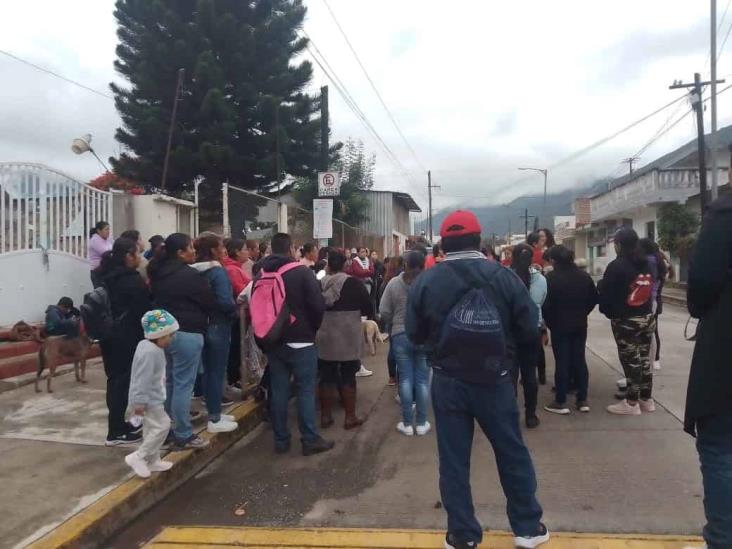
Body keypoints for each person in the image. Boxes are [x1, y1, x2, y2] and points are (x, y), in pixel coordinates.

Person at [406, 210, 549, 549]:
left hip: (447, 380)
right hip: (495, 379)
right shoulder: (503, 277)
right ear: (478, 240)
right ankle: (527, 528)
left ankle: (463, 534)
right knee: (511, 452)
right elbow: (530, 327)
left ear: (443, 243)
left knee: (454, 459)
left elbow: (413, 333)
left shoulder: (426, 280)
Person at [254, 233, 333, 456]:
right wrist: (312, 329)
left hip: (273, 341)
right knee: (305, 391)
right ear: (291, 250)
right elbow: (317, 305)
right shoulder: (301, 273)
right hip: (302, 340)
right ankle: (309, 439)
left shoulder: (261, 273)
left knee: (278, 391)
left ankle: (281, 440)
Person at [685, 193, 732, 549]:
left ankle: (722, 539)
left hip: (724, 355)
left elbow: (700, 287)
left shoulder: (724, 215)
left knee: (720, 449)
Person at [148, 233, 217, 450]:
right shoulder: (189, 276)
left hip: (165, 335)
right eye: (190, 248)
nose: (194, 251)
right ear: (180, 252)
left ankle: (166, 431)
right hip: (187, 332)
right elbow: (209, 301)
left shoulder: (158, 273)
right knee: (183, 386)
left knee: (170, 383)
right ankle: (183, 433)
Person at [96, 237, 152, 446]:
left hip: (109, 337)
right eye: (137, 253)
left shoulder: (107, 276)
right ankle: (116, 432)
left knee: (115, 382)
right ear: (128, 255)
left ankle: (119, 425)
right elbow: (144, 310)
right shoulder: (131, 280)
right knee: (121, 384)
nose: (139, 257)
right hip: (126, 337)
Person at [598, 228, 655, 416]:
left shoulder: (617, 266)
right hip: (647, 317)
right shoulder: (646, 263)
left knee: (631, 362)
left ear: (619, 245)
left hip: (626, 320)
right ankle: (646, 399)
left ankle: (631, 403)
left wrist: (609, 312)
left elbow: (606, 294)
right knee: (644, 358)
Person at [316, 250, 371, 430]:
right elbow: (367, 307)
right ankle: (350, 417)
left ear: (328, 266)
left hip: (325, 334)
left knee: (326, 376)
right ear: (346, 266)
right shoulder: (354, 283)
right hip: (348, 334)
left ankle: (325, 416)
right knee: (348, 375)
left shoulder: (319, 284)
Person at [542, 245, 598, 415]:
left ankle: (560, 401)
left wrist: (550, 322)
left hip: (559, 326)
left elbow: (546, 305)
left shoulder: (551, 278)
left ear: (553, 260)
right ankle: (582, 400)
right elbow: (593, 299)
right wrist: (582, 313)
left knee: (562, 362)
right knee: (579, 360)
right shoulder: (584, 276)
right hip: (580, 324)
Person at [123, 309, 179, 479]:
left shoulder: (151, 348)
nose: (171, 339)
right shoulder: (149, 352)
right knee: (163, 425)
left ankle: (153, 459)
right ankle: (138, 457)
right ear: (159, 335)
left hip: (152, 398)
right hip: (148, 401)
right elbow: (141, 379)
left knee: (150, 429)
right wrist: (139, 403)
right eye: (169, 335)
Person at [381, 250, 431, 436]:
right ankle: (422, 422)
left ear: (405, 265)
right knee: (422, 380)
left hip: (400, 335)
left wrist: (394, 321)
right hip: (423, 336)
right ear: (423, 265)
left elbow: (384, 310)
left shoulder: (393, 283)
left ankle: (407, 424)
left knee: (405, 379)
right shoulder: (428, 283)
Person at [193, 233, 239, 434]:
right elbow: (225, 301)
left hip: (202, 323)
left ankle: (215, 412)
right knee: (216, 371)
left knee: (207, 371)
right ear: (213, 250)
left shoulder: (194, 271)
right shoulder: (217, 272)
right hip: (219, 324)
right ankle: (214, 417)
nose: (224, 249)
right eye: (221, 246)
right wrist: (234, 310)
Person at [511, 243, 547, 428]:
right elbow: (542, 301)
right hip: (532, 330)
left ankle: (510, 414)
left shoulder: (506, 277)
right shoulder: (540, 279)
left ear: (513, 257)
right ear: (532, 258)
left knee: (510, 375)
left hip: (510, 332)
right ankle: (531, 415)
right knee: (529, 375)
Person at [222, 238, 251, 387]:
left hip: (243, 315)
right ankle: (234, 379)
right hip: (237, 316)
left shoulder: (237, 268)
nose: (248, 252)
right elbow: (240, 291)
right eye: (245, 249)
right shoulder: (232, 270)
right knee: (235, 347)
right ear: (236, 252)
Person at [639, 238, 667, 372]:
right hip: (653, 300)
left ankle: (649, 362)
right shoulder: (657, 260)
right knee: (652, 331)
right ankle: (653, 360)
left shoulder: (648, 261)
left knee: (647, 333)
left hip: (647, 300)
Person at [88, 221, 113, 288]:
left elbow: (115, 248)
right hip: (98, 271)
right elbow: (105, 253)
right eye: (106, 229)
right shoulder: (95, 240)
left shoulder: (108, 240)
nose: (108, 231)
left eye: (109, 229)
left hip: (107, 270)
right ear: (99, 231)